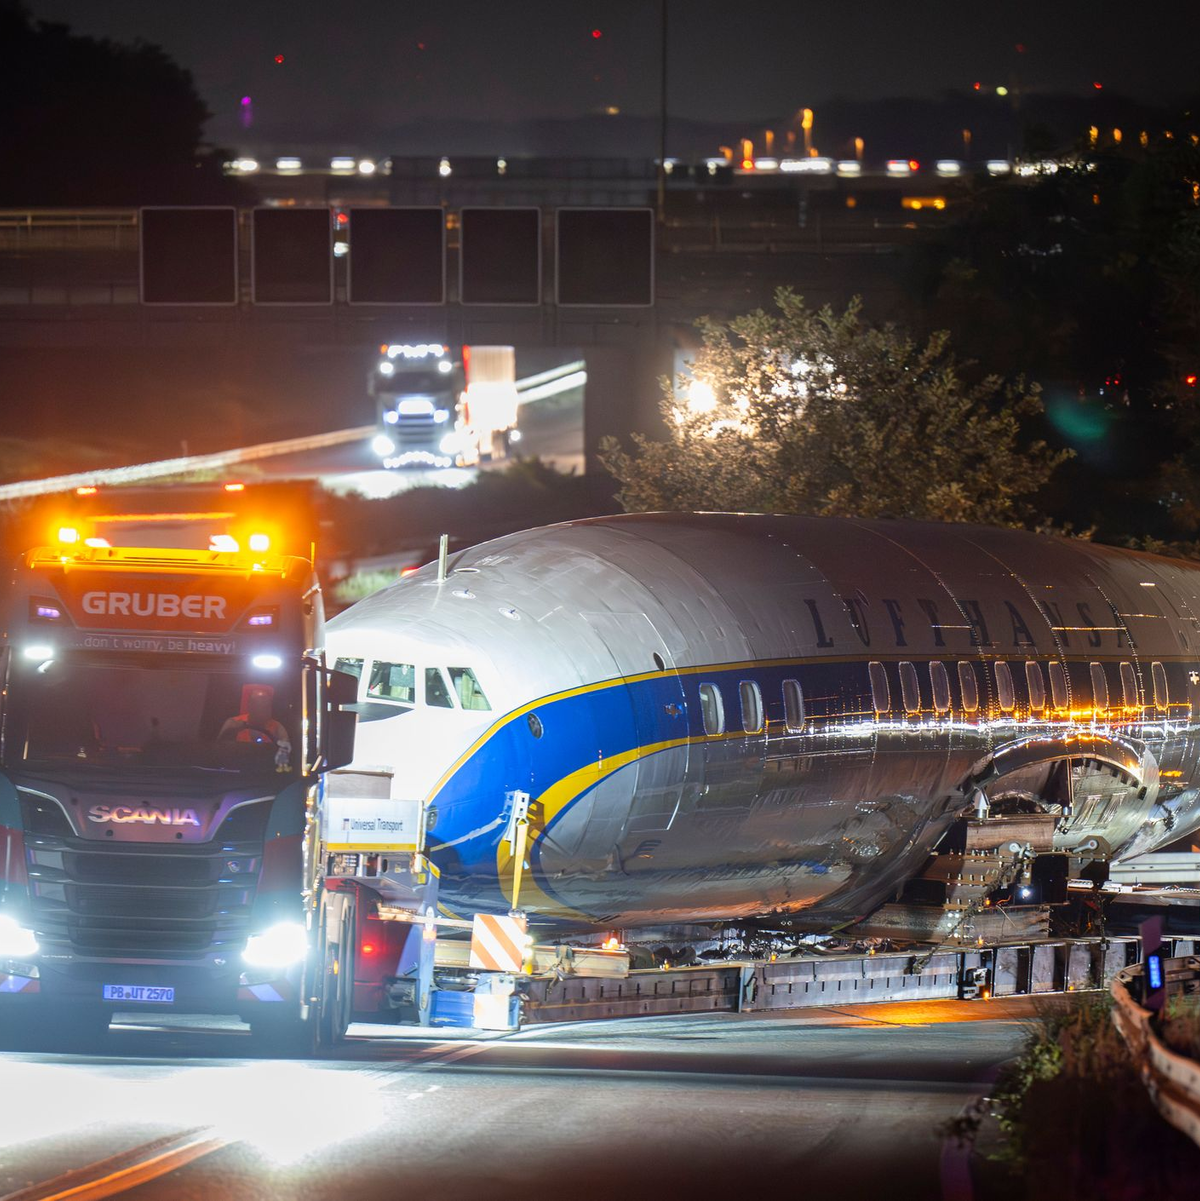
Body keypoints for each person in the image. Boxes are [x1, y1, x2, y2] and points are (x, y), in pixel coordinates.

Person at [219, 686, 291, 769]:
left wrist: (277, 743)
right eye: (258, 704)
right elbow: (219, 749)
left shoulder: (277, 728)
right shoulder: (233, 723)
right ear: (250, 705)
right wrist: (231, 731)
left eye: (266, 705)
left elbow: (285, 754)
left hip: (264, 770)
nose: (262, 709)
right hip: (236, 768)